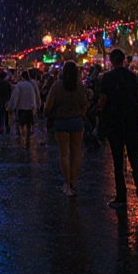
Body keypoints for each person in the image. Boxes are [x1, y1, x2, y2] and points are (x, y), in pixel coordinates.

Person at [44, 61, 91, 196]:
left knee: (64, 153)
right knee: (76, 152)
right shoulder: (80, 86)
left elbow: (48, 105)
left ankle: (66, 182)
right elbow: (84, 104)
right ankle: (74, 182)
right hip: (76, 121)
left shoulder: (57, 86)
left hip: (61, 121)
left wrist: (47, 115)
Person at [10, 70, 40, 146]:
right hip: (30, 108)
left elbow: (16, 96)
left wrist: (14, 107)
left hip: (21, 108)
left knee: (22, 124)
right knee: (29, 125)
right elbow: (36, 95)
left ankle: (23, 139)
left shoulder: (19, 85)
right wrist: (37, 105)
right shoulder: (32, 85)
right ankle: (27, 141)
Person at [0, 70, 13, 134]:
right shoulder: (7, 84)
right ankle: (7, 125)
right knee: (6, 113)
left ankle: (1, 126)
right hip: (6, 100)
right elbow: (10, 92)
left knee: (0, 113)